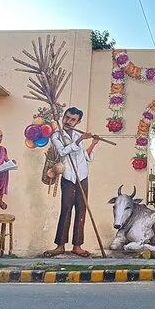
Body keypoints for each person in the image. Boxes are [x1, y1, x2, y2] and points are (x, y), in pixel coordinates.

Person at [43, 107, 100, 258]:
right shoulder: (56, 136)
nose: (68, 121)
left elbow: (84, 157)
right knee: (66, 209)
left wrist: (93, 143)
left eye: (73, 119)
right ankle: (60, 245)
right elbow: (62, 152)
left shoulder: (77, 134)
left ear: (78, 122)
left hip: (82, 176)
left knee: (81, 210)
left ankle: (77, 246)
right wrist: (80, 140)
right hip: (68, 177)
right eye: (67, 118)